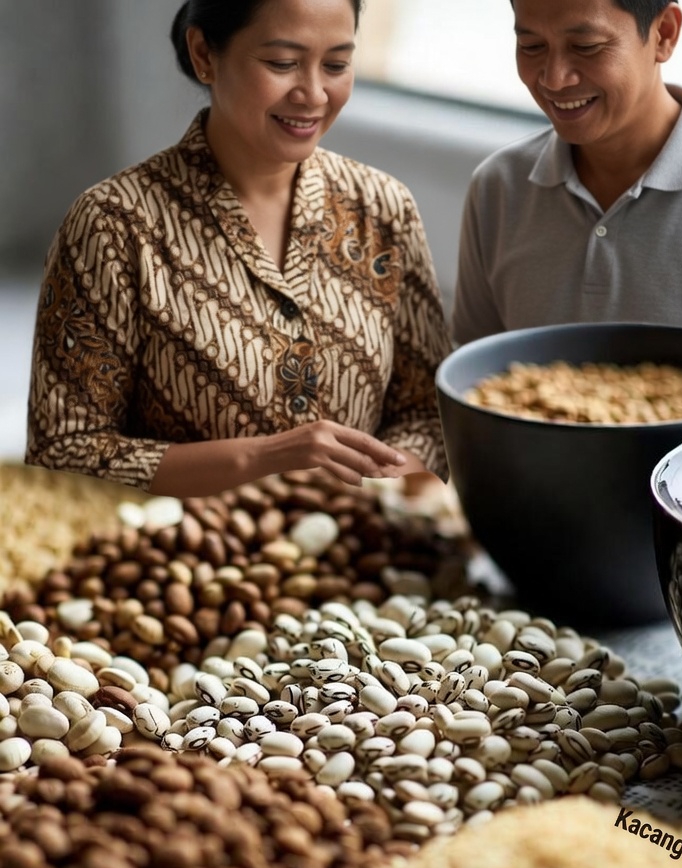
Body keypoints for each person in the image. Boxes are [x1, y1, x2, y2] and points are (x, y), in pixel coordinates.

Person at [26, 0, 451, 496]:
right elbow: (63, 452)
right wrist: (265, 459)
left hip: (359, 555)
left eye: (336, 65)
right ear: (205, 53)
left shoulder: (384, 208)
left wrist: (376, 487)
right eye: (282, 63)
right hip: (179, 563)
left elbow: (428, 412)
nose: (314, 93)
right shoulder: (112, 225)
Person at [452, 0, 682, 411]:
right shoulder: (499, 188)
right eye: (531, 47)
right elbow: (475, 387)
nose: (554, 78)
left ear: (664, 34)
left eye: (587, 46)